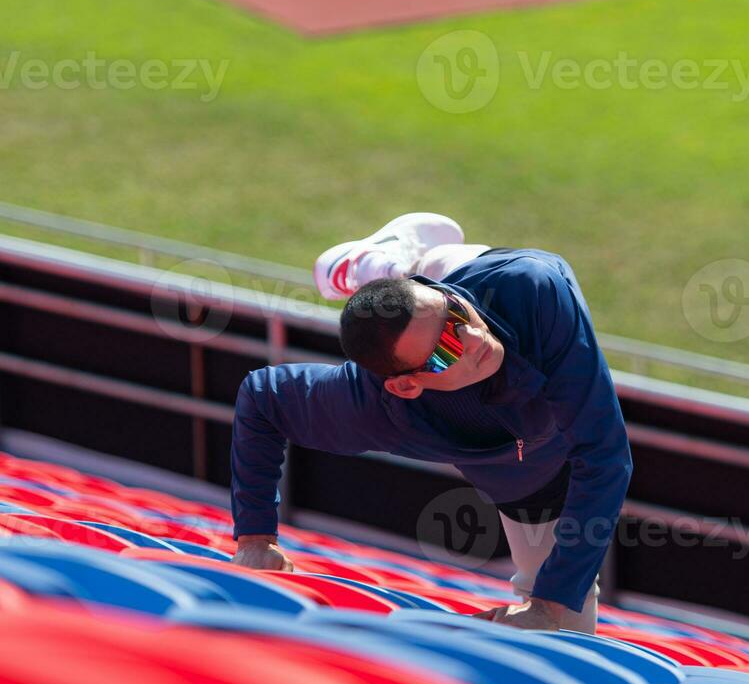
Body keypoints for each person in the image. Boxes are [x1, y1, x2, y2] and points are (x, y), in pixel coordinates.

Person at [227, 213, 631, 632]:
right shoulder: (371, 403)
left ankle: (393, 266)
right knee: (566, 629)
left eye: (457, 317)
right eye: (449, 347)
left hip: (472, 278)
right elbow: (262, 398)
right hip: (521, 476)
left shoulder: (532, 291)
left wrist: (548, 602)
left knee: (442, 270)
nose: (475, 339)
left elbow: (604, 454)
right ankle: (390, 271)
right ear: (405, 387)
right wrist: (256, 539)